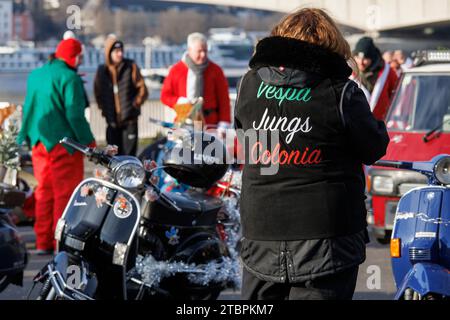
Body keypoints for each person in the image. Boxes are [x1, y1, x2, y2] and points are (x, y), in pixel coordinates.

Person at [234, 8, 390, 300]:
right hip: (327, 237)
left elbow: (245, 135)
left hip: (262, 230)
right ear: (332, 45)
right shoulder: (341, 91)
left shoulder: (248, 84)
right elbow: (374, 147)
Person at [17, 38, 95, 255]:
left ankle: (42, 242)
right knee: (66, 194)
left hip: (39, 143)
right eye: (80, 57)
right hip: (65, 146)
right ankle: (60, 241)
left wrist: (22, 136)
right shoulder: (70, 78)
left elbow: (29, 108)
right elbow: (74, 116)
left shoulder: (36, 75)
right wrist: (89, 143)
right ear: (75, 56)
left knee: (43, 192)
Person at [160, 32, 231, 128]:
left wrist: (224, 122)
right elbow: (165, 96)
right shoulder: (176, 70)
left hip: (210, 124)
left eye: (205, 51)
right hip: (183, 122)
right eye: (199, 51)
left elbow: (224, 99)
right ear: (190, 50)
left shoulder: (215, 70)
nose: (203, 55)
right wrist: (180, 101)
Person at [94, 36, 148, 156]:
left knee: (129, 156)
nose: (120, 54)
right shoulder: (102, 71)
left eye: (121, 51)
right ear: (109, 53)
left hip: (130, 121)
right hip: (112, 122)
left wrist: (135, 104)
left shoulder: (131, 66)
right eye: (116, 51)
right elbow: (98, 93)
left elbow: (143, 89)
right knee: (113, 158)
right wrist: (104, 109)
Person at [353, 37, 398, 121]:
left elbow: (397, 97)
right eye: (358, 58)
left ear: (372, 58)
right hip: (355, 126)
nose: (361, 62)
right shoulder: (347, 73)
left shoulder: (387, 72)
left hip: (380, 125)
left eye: (365, 59)